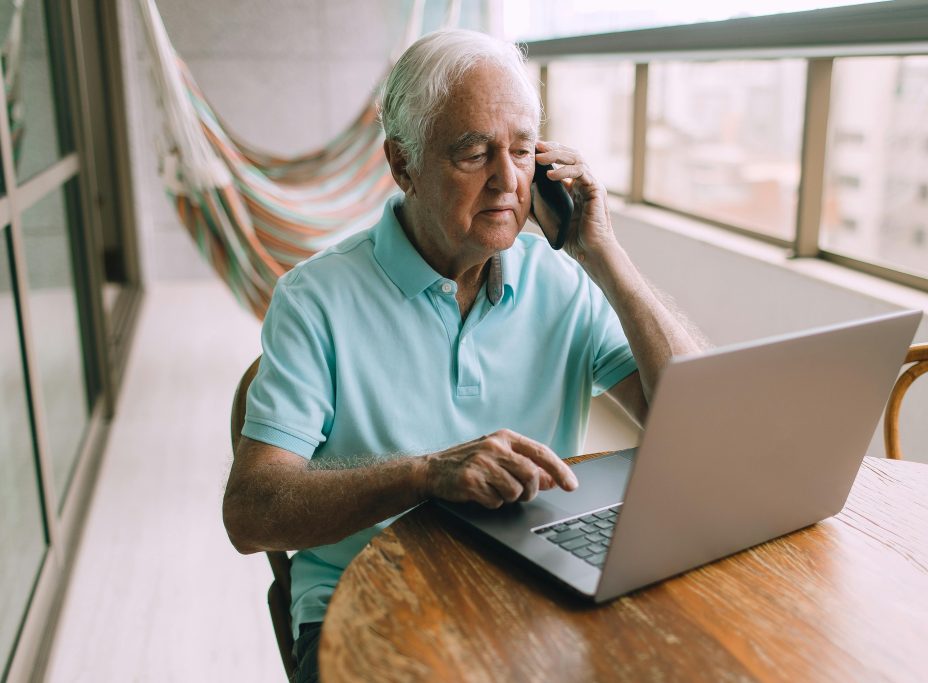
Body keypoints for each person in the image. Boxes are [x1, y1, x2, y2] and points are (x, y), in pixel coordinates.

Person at [223, 28, 706, 683]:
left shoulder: (563, 278)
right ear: (402, 165)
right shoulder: (314, 300)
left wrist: (605, 257)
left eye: (522, 150)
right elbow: (253, 513)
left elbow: (698, 421)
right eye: (474, 153)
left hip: (530, 589)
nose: (508, 180)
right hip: (370, 606)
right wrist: (425, 476)